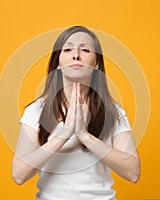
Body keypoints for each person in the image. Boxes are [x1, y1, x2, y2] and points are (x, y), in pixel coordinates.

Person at [12, 26, 140, 200]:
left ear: (96, 63)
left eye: (85, 50)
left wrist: (84, 135)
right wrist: (64, 134)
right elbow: (19, 175)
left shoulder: (113, 112)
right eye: (67, 49)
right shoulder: (36, 111)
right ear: (57, 62)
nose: (76, 55)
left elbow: (133, 173)